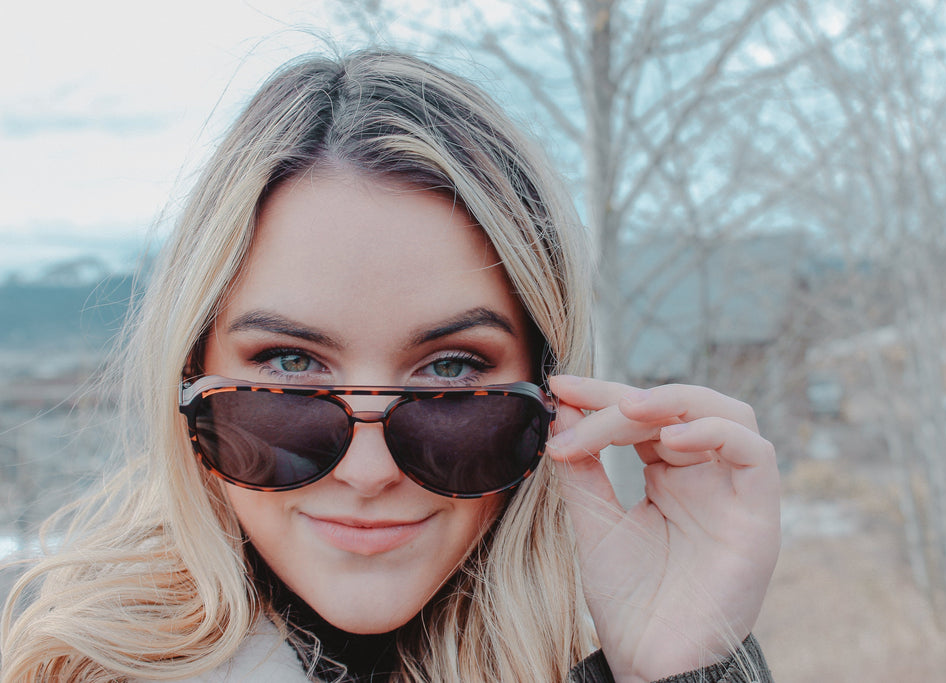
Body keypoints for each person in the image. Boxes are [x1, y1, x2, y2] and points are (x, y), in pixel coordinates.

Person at [0, 49, 780, 682]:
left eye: (448, 373)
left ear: (549, 400)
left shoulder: (607, 654)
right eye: (291, 365)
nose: (368, 471)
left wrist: (686, 668)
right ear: (190, 381)